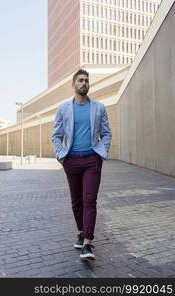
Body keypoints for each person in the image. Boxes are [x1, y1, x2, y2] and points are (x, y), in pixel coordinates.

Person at [52, 69, 112, 261]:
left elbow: (106, 133)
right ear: (73, 84)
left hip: (92, 160)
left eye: (86, 80)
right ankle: (81, 231)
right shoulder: (63, 108)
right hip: (72, 160)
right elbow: (56, 135)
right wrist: (62, 156)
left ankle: (87, 242)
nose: (84, 83)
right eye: (80, 80)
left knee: (89, 200)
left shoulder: (99, 107)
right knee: (76, 201)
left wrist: (101, 153)